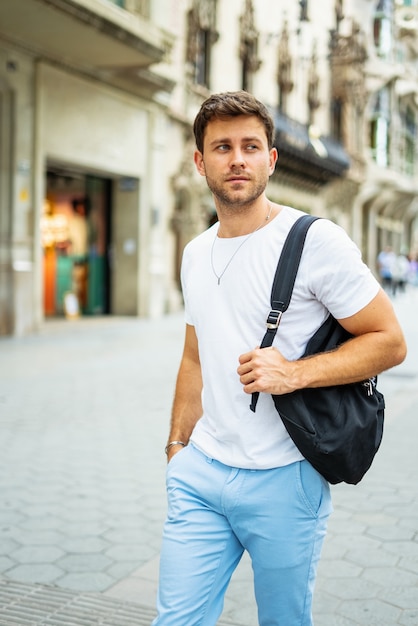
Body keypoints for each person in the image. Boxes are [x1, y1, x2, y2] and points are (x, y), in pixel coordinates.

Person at [153, 91, 406, 626]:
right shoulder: (195, 252)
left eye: (251, 146)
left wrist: (293, 373)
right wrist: (178, 448)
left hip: (283, 478)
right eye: (222, 147)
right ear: (200, 162)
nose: (237, 158)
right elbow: (195, 357)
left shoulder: (316, 242)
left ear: (271, 159)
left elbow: (389, 340)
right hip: (201, 475)